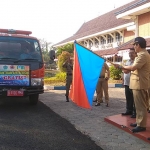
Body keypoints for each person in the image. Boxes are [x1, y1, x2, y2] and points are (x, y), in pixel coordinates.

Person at [114, 37, 150, 133]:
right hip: (138, 83)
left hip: (140, 83)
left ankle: (141, 125)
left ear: (138, 45)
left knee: (141, 106)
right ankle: (139, 122)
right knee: (138, 106)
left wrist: (121, 66)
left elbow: (133, 67)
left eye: (134, 45)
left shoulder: (142, 55)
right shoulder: (141, 55)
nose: (134, 47)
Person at [121, 48, 136, 118]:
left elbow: (126, 70)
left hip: (134, 83)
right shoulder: (127, 61)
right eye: (129, 53)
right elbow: (124, 71)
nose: (131, 54)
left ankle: (135, 112)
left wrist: (125, 69)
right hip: (127, 83)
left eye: (132, 53)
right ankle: (129, 110)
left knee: (135, 99)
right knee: (128, 97)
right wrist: (123, 80)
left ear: (136, 54)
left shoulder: (137, 62)